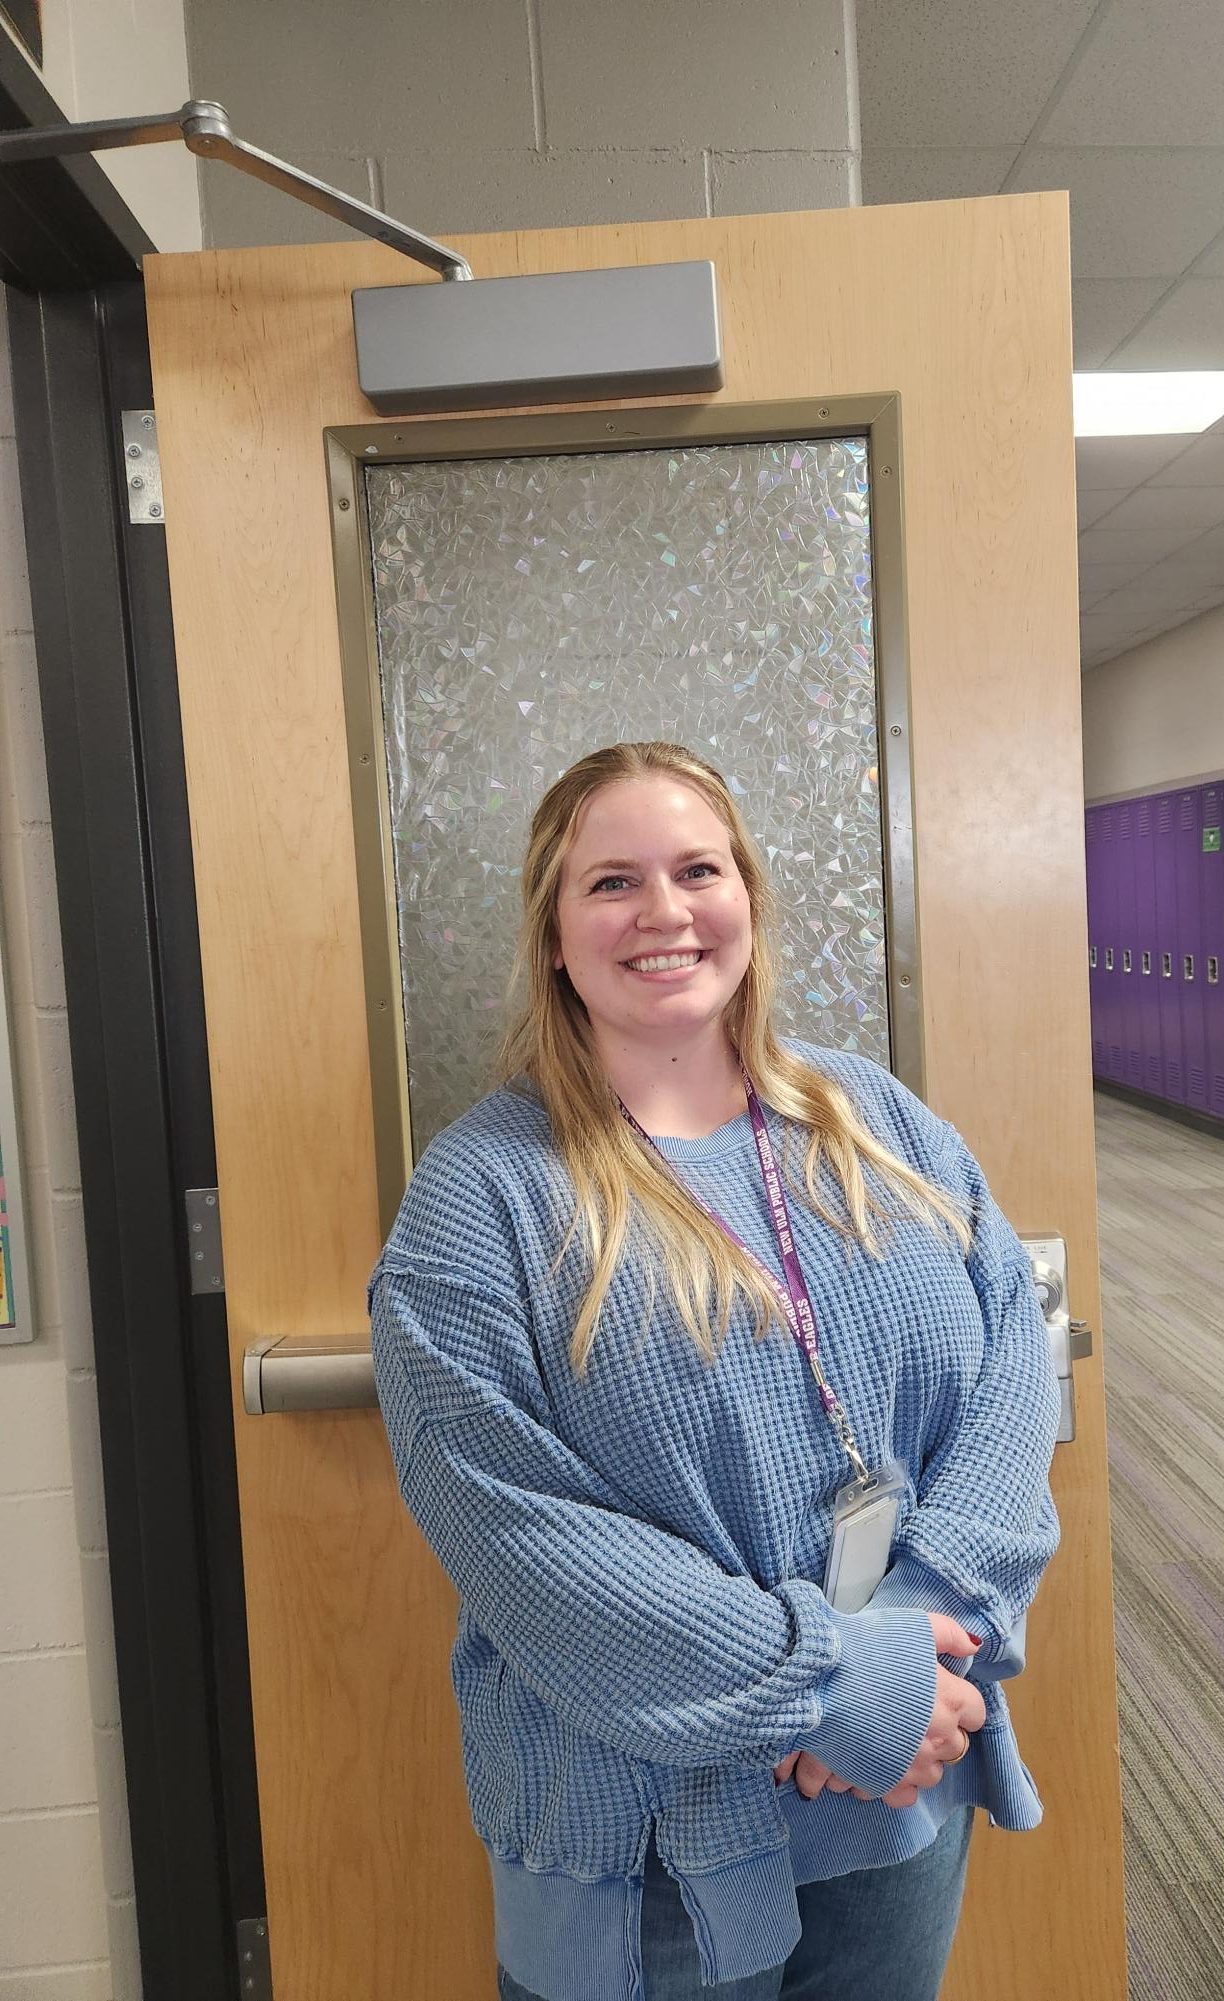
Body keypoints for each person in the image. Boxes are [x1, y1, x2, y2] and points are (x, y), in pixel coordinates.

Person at [369, 740, 1061, 2001]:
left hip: (896, 1791)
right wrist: (834, 1684)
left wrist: (920, 1632)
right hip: (648, 1847)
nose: (666, 913)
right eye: (612, 883)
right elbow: (521, 1536)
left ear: (747, 893)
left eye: (699, 868)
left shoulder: (872, 1117)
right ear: (555, 931)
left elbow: (1012, 1356)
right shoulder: (482, 1198)